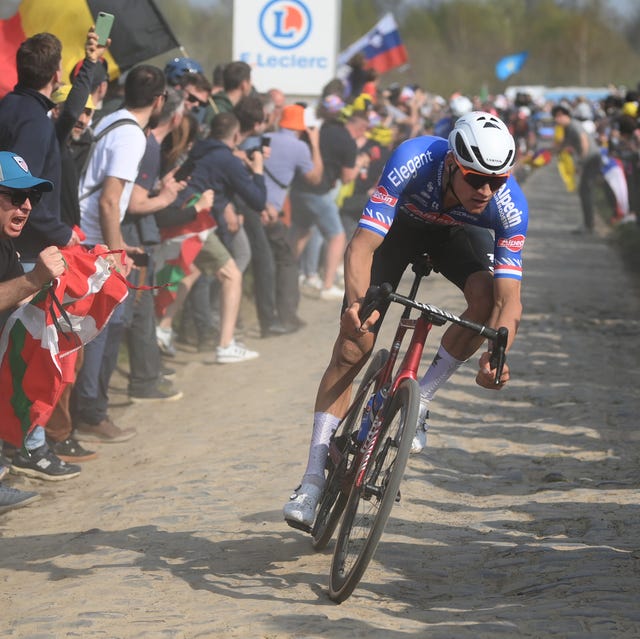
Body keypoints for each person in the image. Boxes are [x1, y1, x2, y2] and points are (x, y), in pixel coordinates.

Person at [283, 111, 529, 529]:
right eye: (475, 178)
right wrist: (356, 307)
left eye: (497, 180)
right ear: (452, 163)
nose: (486, 190)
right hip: (396, 232)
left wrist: (498, 353)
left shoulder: (508, 206)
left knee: (485, 299)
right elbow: (361, 247)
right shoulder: (414, 158)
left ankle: (424, 399)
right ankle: (310, 482)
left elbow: (510, 301)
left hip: (455, 237)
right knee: (352, 348)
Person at [72, 64, 167, 442]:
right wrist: (114, 251)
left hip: (90, 235)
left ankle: (89, 409)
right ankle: (91, 413)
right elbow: (110, 201)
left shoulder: (113, 119)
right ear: (159, 100)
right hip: (94, 242)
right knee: (105, 327)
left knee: (108, 325)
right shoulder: (133, 138)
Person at [0, 150, 80, 485]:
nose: (27, 206)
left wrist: (77, 287)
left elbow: (22, 297)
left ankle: (26, 447)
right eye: (17, 196)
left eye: (31, 197)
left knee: (59, 338)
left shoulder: (4, 242)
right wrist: (36, 279)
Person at [0, 32, 80, 266]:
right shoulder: (35, 121)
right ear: (56, 75)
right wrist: (61, 233)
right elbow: (20, 190)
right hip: (21, 250)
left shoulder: (7, 105)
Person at [288, 108, 370, 301]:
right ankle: (327, 285)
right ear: (361, 127)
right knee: (337, 236)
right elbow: (348, 178)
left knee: (302, 230)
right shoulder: (349, 143)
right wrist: (358, 163)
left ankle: (287, 274)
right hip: (318, 193)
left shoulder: (324, 130)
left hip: (298, 189)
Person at [552, 102, 602, 234]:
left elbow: (583, 142)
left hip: (591, 159)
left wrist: (581, 162)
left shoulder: (574, 125)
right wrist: (548, 153)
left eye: (558, 116)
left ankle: (589, 224)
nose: (556, 120)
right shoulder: (568, 128)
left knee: (586, 191)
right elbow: (564, 144)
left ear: (564, 115)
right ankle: (589, 223)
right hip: (589, 160)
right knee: (584, 191)